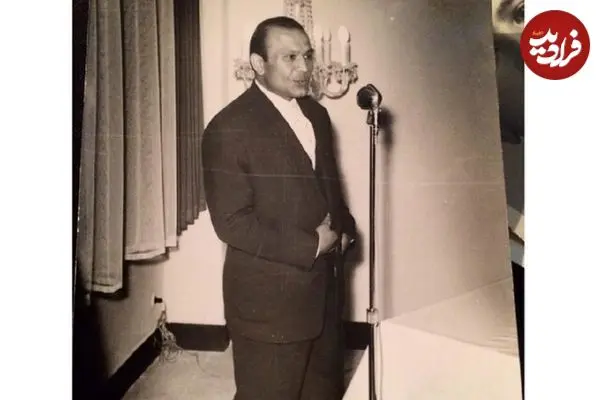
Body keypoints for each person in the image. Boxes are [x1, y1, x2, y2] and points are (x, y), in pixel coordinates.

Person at [201, 16, 357, 400]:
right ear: (258, 63)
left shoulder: (317, 115)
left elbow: (328, 185)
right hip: (269, 306)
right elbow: (231, 223)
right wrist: (312, 245)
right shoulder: (227, 128)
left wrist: (345, 227)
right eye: (290, 57)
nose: (304, 67)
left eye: (307, 55)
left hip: (325, 295)